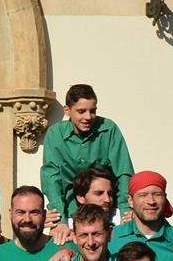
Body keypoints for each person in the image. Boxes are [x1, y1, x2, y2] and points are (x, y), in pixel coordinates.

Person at [40, 83, 134, 218]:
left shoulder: (109, 129)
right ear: (67, 110)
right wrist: (59, 217)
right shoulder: (55, 134)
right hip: (69, 209)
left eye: (93, 111)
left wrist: (126, 209)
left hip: (108, 208)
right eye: (81, 111)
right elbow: (51, 177)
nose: (88, 117)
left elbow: (124, 172)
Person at [109, 171, 173, 261]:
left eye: (157, 194)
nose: (151, 201)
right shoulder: (112, 238)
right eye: (143, 195)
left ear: (165, 199)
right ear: (130, 201)